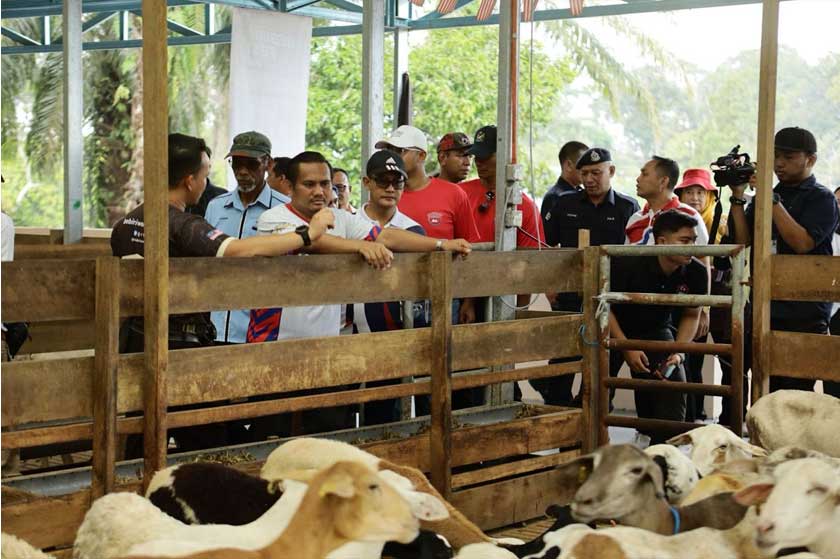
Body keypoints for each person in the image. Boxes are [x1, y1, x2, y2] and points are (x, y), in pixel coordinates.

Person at [111, 133, 335, 456]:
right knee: (211, 442)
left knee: (141, 429)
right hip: (180, 347)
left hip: (135, 339)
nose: (206, 182)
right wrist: (307, 234)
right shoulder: (184, 225)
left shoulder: (126, 223)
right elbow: (239, 250)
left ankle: (134, 482)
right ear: (190, 181)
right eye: (204, 175)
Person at [247, 150, 471, 436]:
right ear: (290, 187)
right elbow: (312, 242)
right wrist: (360, 246)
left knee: (327, 439)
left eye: (325, 184)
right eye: (309, 184)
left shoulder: (342, 218)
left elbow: (386, 235)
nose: (319, 191)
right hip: (275, 351)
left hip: (327, 351)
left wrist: (440, 244)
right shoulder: (273, 218)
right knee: (272, 438)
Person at [730, 127, 839, 393]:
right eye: (776, 156)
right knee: (762, 387)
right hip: (765, 304)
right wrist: (737, 197)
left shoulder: (822, 198)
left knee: (795, 392)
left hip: (804, 311)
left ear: (811, 160)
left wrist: (770, 197)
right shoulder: (767, 195)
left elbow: (802, 243)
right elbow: (743, 241)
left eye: (788, 157)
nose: (779, 163)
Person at [538, 147, 639, 407]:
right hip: (570, 293)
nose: (590, 179)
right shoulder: (565, 203)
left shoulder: (628, 207)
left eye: (596, 172)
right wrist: (550, 285)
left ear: (611, 171)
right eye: (584, 174)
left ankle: (595, 413)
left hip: (609, 296)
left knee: (605, 358)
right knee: (565, 354)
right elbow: (547, 246)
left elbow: (634, 256)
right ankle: (557, 409)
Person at [609, 210, 709, 443]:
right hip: (611, 328)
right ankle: (588, 446)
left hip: (655, 328)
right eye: (684, 241)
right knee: (597, 385)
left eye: (694, 240)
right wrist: (625, 346)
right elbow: (605, 309)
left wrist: (679, 351)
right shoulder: (627, 263)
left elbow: (691, 314)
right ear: (662, 242)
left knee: (673, 383)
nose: (692, 247)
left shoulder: (696, 271)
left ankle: (665, 449)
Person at [378, 125, 481, 326]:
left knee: (442, 347)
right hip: (392, 295)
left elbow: (469, 250)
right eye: (389, 151)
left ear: (422, 156)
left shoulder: (454, 194)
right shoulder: (385, 196)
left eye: (400, 151)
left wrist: (469, 302)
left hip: (442, 296)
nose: (393, 157)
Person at [352, 150, 426, 424]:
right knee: (343, 412)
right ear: (367, 182)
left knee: (386, 416)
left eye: (398, 182)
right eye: (383, 181)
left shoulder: (413, 230)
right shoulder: (348, 222)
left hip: (392, 333)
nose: (391, 188)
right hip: (347, 332)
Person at [204, 132, 290, 346]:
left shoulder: (284, 209)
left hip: (261, 331)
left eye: (251, 164)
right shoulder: (216, 206)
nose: (242, 171)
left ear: (268, 164)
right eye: (236, 163)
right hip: (214, 328)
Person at [674, 168, 725, 421]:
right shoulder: (674, 223)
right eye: (689, 192)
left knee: (711, 359)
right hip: (681, 296)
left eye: (700, 192)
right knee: (685, 357)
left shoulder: (722, 223)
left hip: (714, 298)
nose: (694, 197)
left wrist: (705, 307)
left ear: (710, 196)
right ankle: (688, 415)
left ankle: (700, 415)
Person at [625, 156, 709, 246]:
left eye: (645, 174)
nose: (638, 179)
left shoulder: (690, 216)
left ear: (663, 181)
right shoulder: (635, 219)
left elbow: (704, 254)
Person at [541, 140, 588, 221]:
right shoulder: (555, 197)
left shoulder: (582, 194)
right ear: (569, 165)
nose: (587, 169)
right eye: (584, 164)